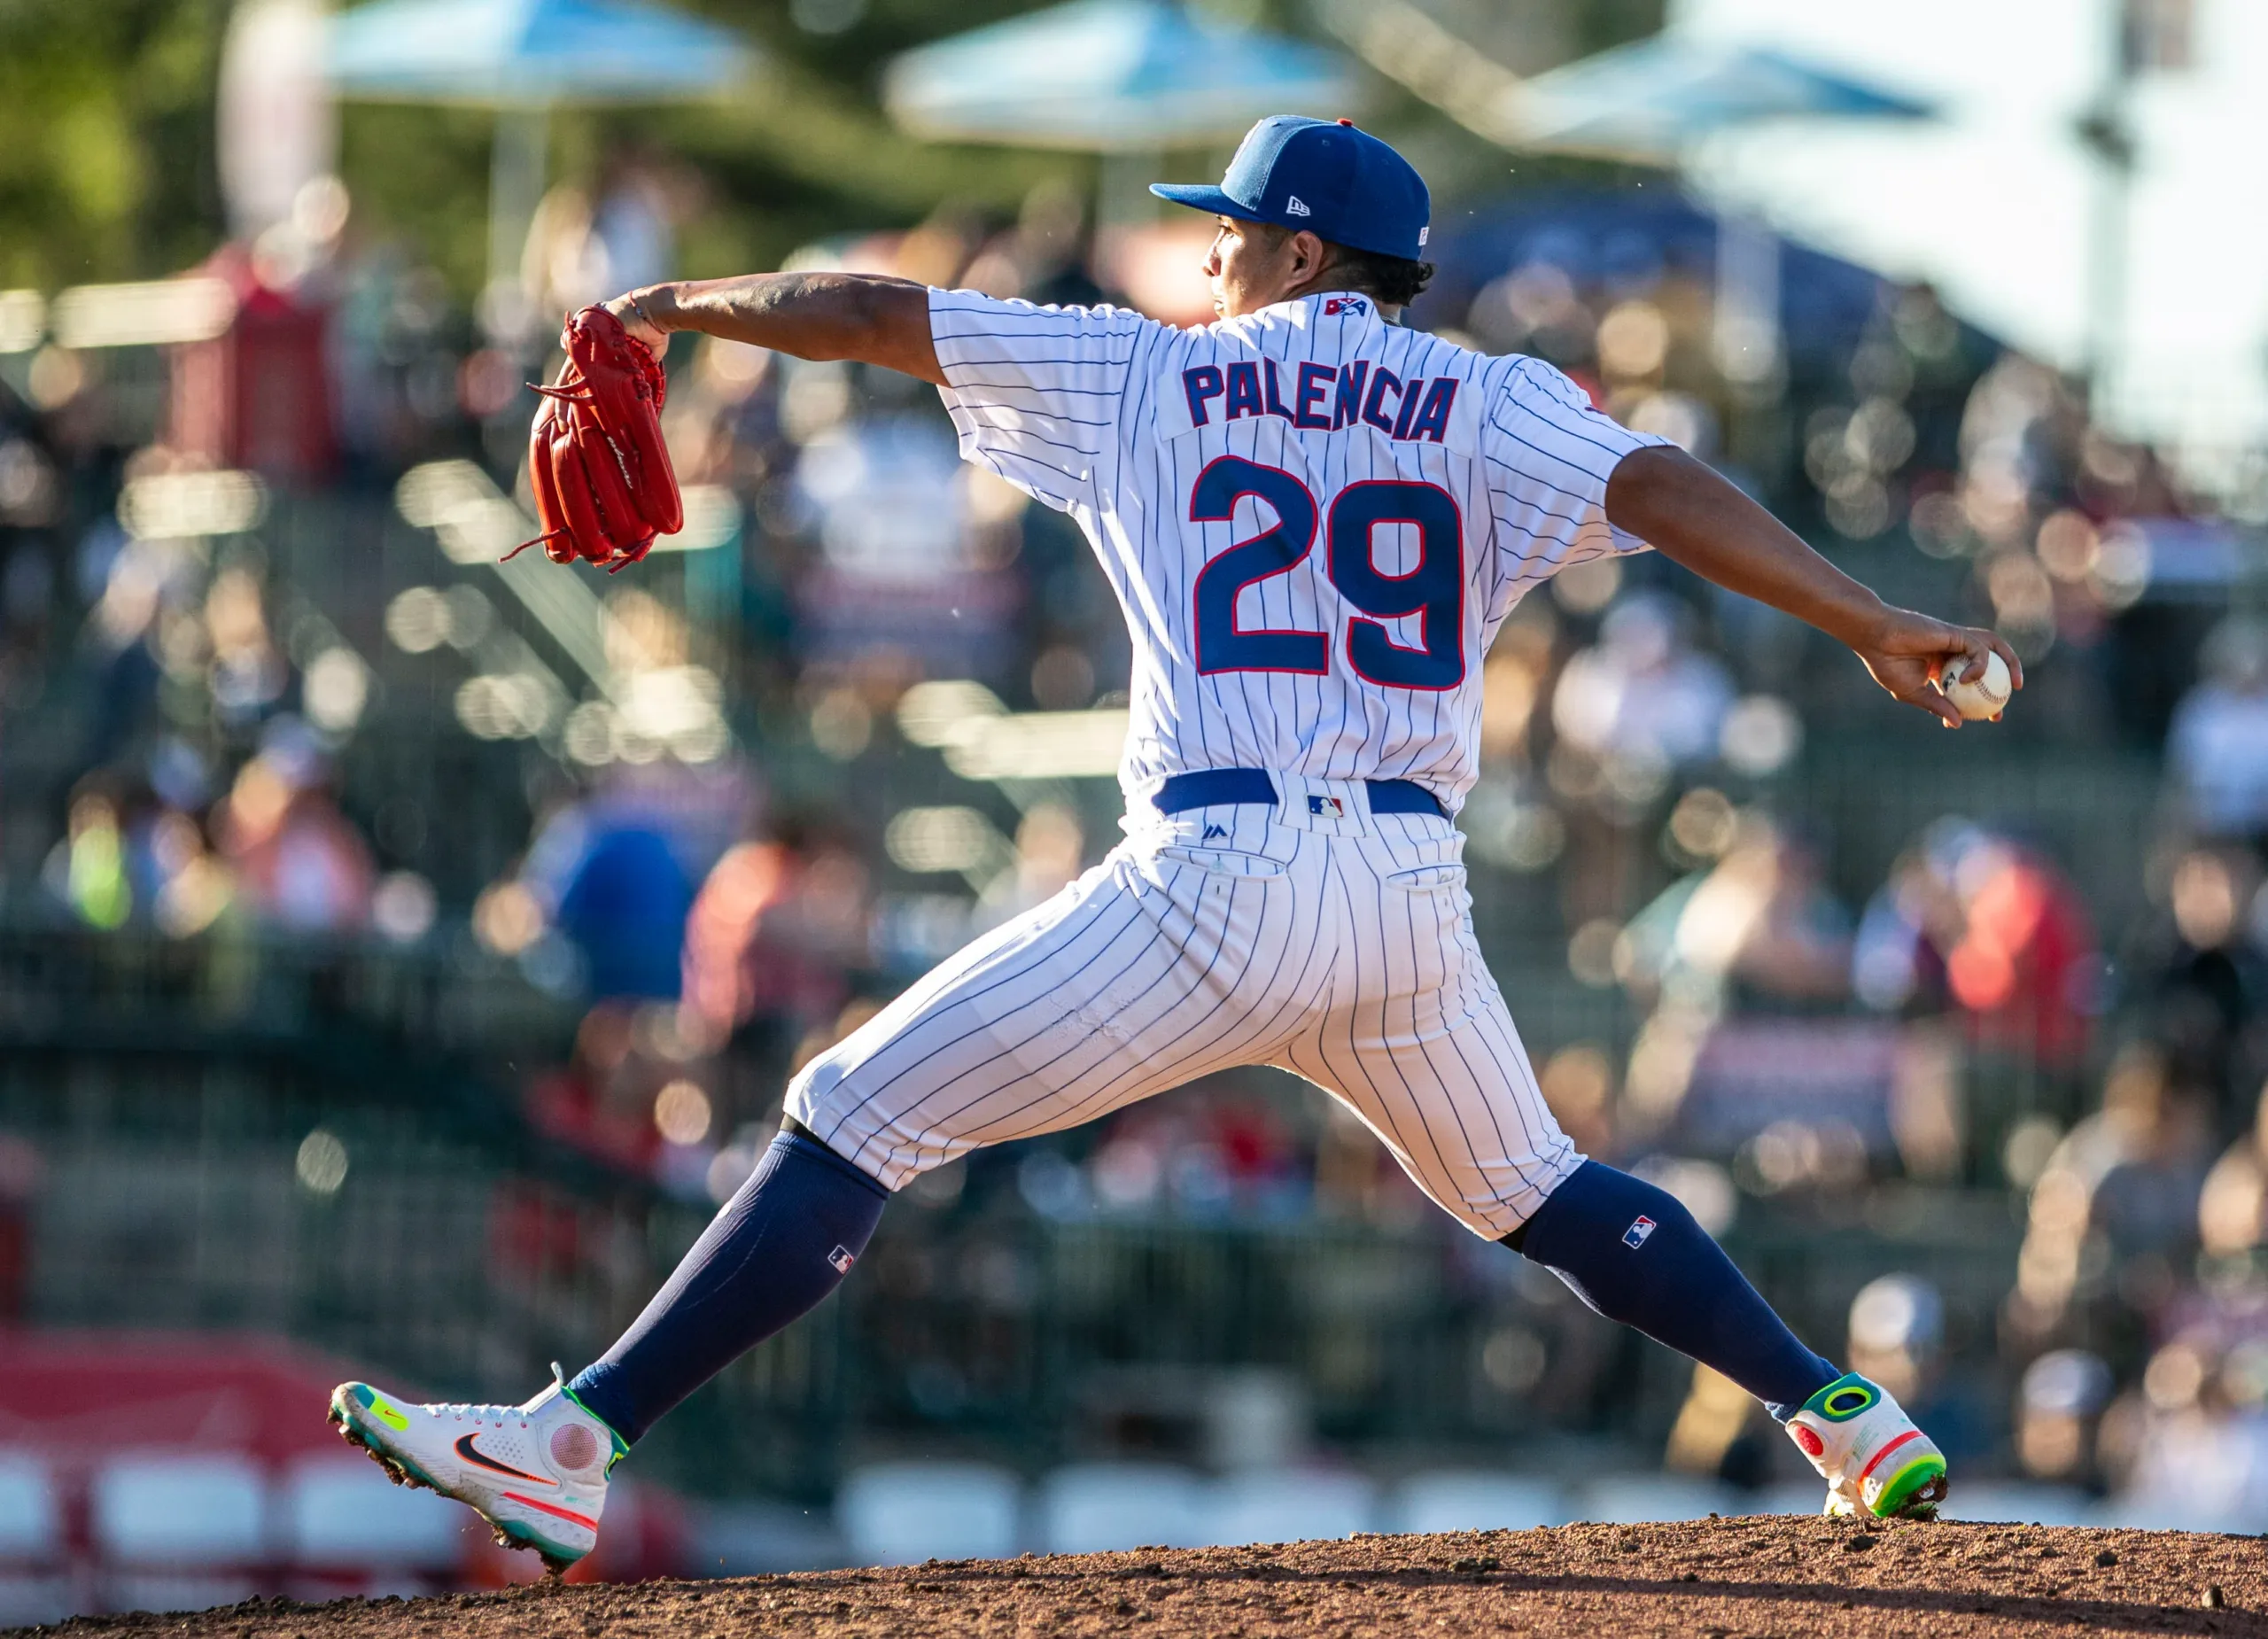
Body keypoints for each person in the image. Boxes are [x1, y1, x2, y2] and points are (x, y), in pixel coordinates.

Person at [330, 116, 2016, 1569]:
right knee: (1540, 1190)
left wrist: (677, 303)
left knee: (859, 1107)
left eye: (1226, 235)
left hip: (1222, 876)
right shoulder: (1491, 399)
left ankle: (574, 1440)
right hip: (1409, 897)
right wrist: (1867, 617)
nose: (1207, 259)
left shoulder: (1158, 367)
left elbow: (871, 314)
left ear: (1291, 249)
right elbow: (1660, 484)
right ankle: (1839, 1410)